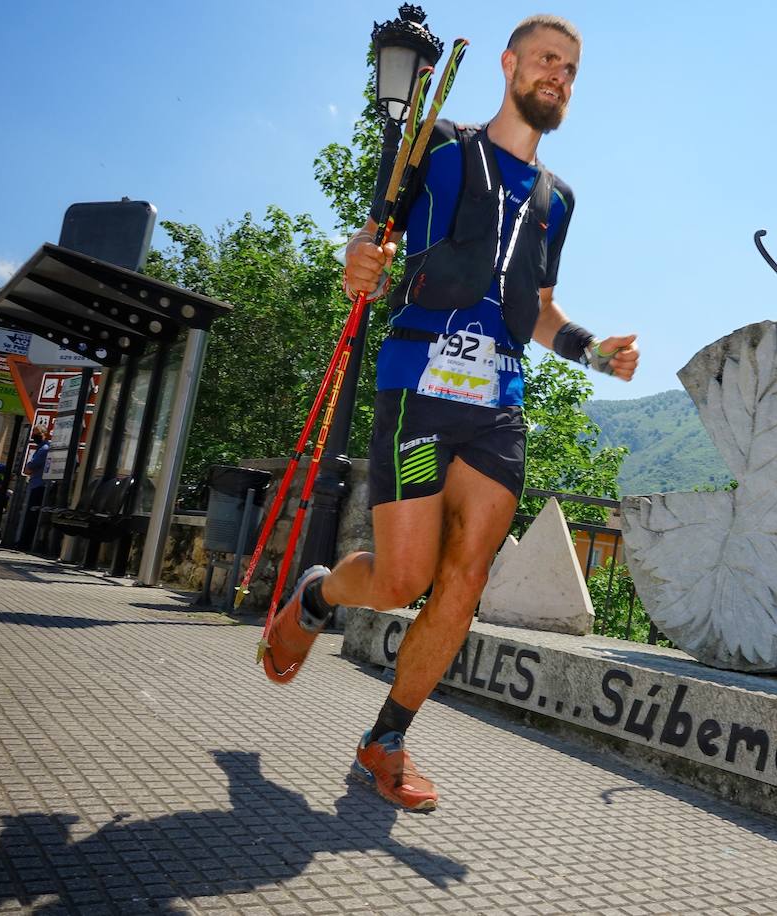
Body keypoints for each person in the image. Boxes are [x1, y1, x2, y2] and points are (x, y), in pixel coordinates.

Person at [262, 15, 638, 811]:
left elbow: (536, 308)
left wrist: (591, 350)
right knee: (402, 581)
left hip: (500, 398)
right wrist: (357, 262)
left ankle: (387, 736)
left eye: (570, 69)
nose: (557, 76)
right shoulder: (437, 145)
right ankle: (321, 594)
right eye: (545, 60)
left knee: (464, 581)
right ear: (509, 65)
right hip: (421, 381)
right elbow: (374, 238)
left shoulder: (557, 199)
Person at [18, 426, 50, 550]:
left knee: (32, 516)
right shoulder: (41, 448)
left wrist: (29, 469)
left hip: (39, 485)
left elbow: (29, 468)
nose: (34, 436)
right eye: (33, 434)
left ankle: (26, 543)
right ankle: (25, 542)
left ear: (44, 434)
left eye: (37, 434)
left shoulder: (44, 449)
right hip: (37, 484)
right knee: (31, 515)